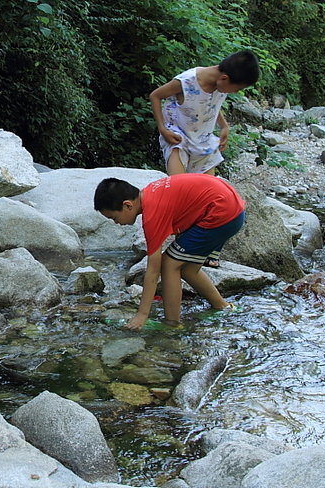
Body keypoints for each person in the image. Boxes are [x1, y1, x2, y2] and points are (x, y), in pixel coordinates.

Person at [94, 174, 246, 329]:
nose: (116, 223)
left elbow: (153, 271)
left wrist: (142, 315)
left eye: (114, 218)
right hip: (232, 210)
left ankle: (172, 323)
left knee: (168, 263)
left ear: (128, 205)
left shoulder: (152, 215)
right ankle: (223, 307)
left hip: (222, 214)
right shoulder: (151, 193)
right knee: (188, 269)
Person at [150, 50, 260, 176]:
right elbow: (155, 96)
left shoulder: (221, 85)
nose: (235, 92)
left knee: (206, 190)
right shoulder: (187, 81)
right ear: (224, 78)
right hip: (178, 139)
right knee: (178, 185)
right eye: (237, 89)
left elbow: (210, 105)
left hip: (204, 142)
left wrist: (223, 125)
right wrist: (163, 129)